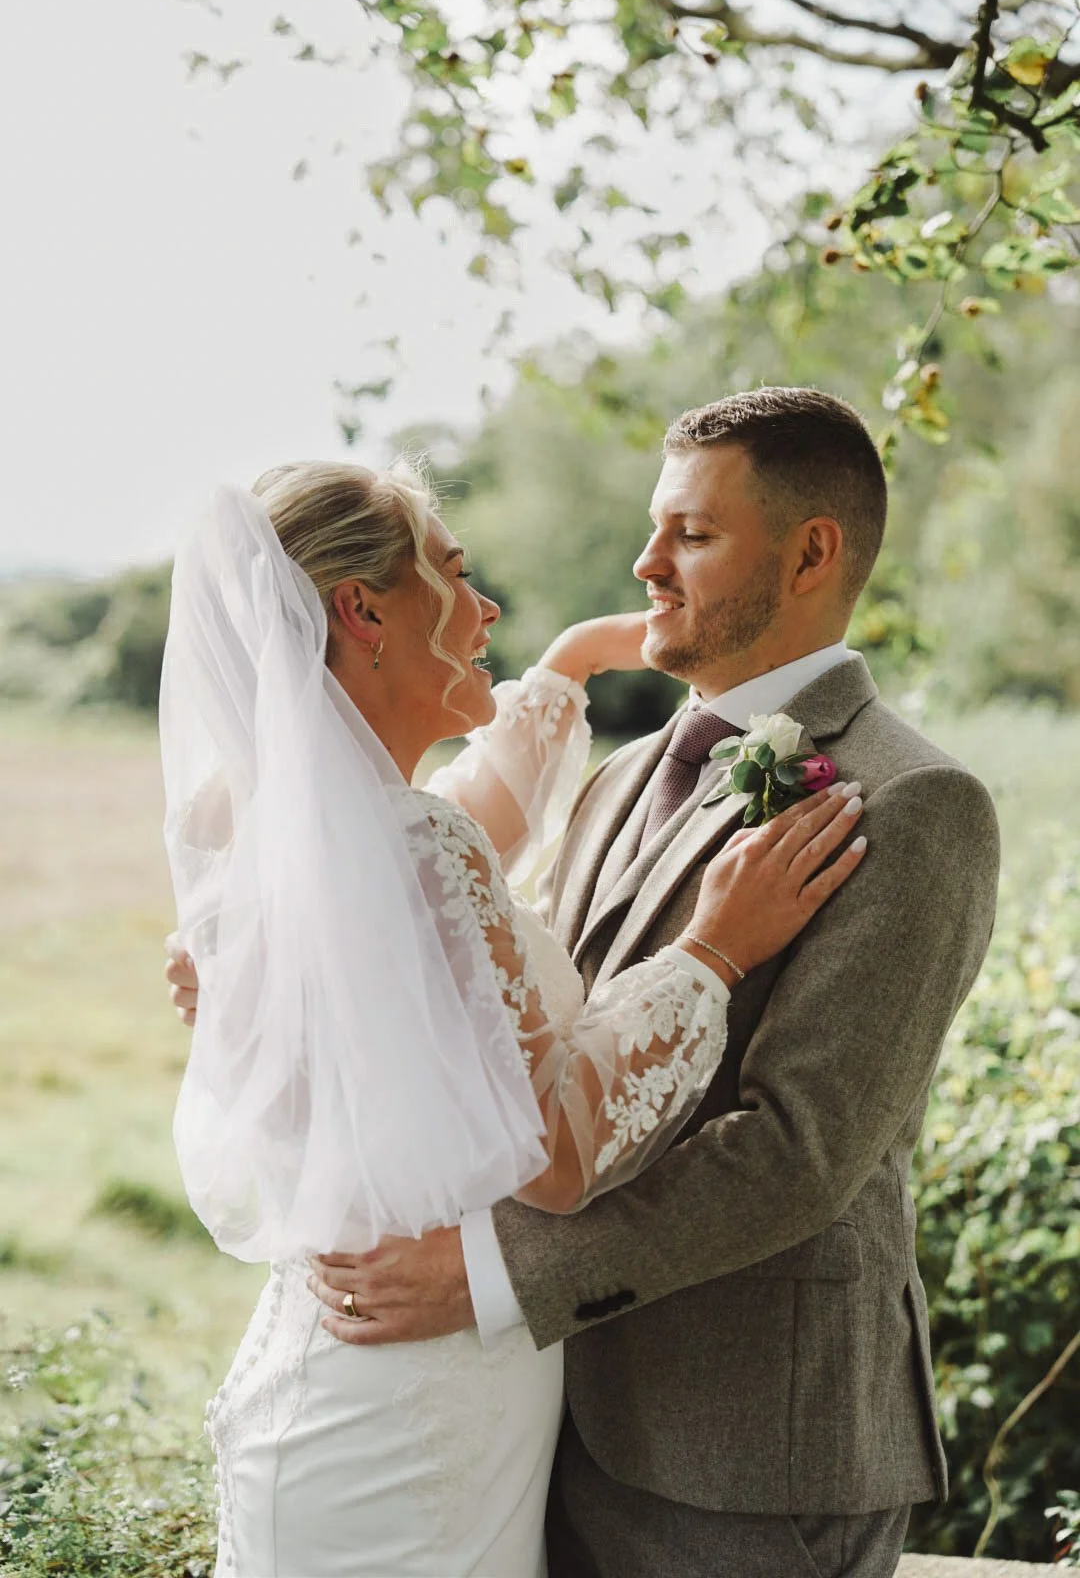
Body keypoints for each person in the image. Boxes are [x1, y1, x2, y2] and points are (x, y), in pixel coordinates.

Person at [284, 388, 1001, 1578]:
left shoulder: (914, 799)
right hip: (541, 1427)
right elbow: (520, 1042)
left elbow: (798, 1150)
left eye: (693, 534)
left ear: (812, 550)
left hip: (746, 1462)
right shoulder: (615, 780)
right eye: (655, 527)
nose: (645, 562)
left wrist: (493, 1277)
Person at [160, 455, 866, 1578]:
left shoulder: (281, 838)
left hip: (345, 1382)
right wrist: (712, 948)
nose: (485, 606)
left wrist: (579, 657)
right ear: (361, 608)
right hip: (412, 1422)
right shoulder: (415, 847)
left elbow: (478, 811)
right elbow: (551, 1151)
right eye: (455, 570)